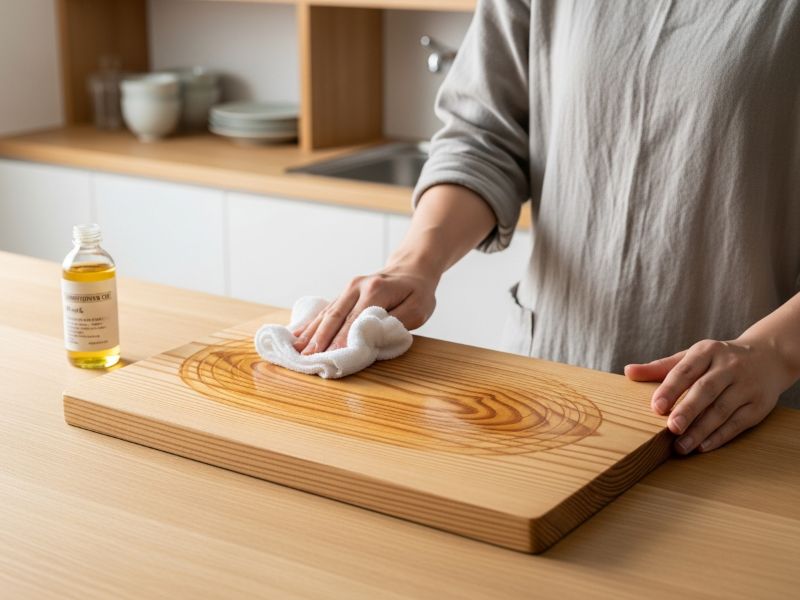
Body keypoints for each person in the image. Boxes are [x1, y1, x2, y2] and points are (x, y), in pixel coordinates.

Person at [293, 0, 800, 455]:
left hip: (745, 417)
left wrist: (775, 351)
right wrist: (414, 264)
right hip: (554, 389)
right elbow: (485, 135)